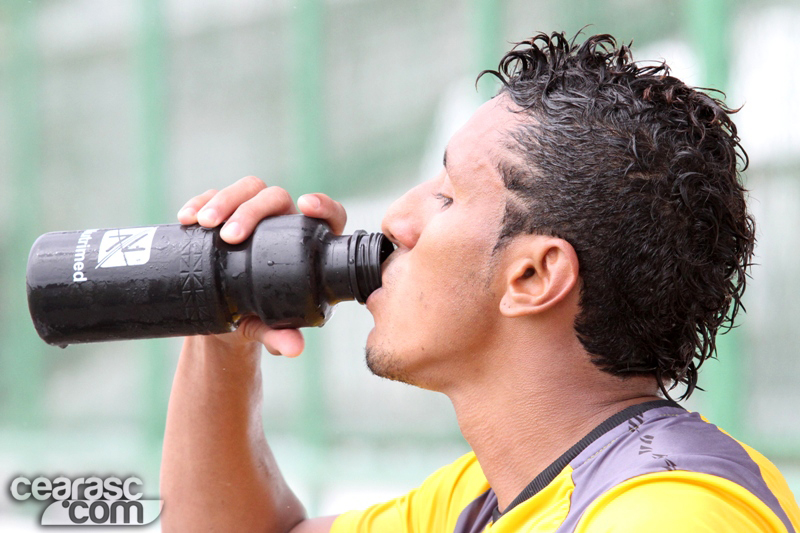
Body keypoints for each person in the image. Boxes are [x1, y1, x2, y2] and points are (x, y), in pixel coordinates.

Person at [160, 32, 800, 532]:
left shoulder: (668, 513)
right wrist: (221, 316)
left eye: (445, 197)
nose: (395, 221)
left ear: (533, 275)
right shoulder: (493, 496)